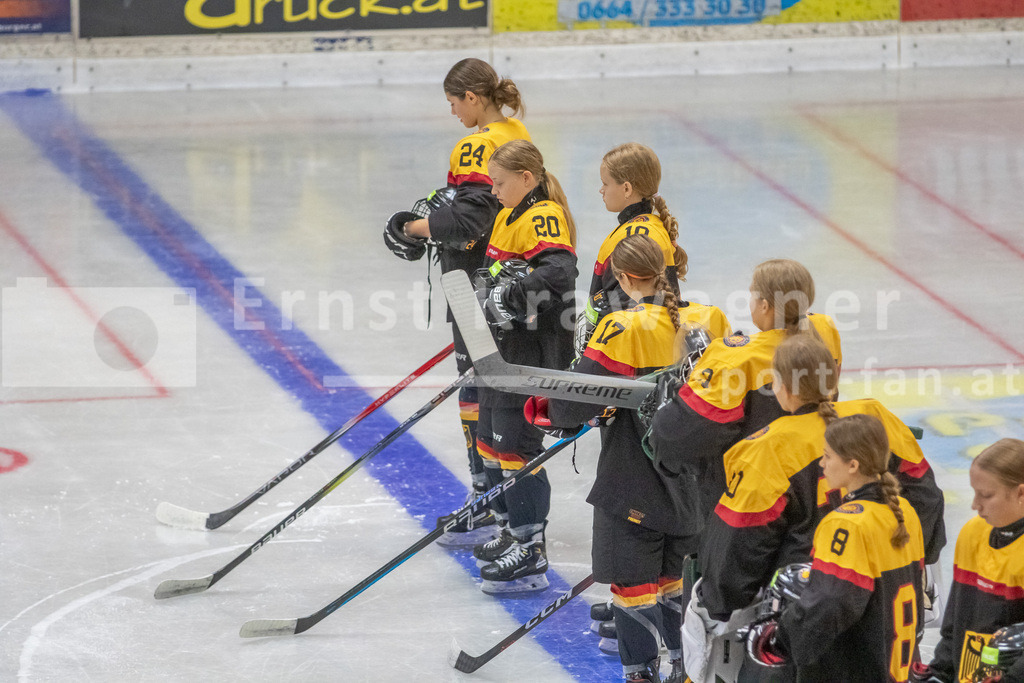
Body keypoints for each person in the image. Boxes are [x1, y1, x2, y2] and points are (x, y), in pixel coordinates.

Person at [538, 235, 726, 683]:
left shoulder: (621, 328)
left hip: (634, 482)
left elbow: (572, 404)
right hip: (694, 487)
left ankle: (642, 674)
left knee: (634, 587)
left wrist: (546, 411)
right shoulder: (710, 318)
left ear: (622, 278)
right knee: (678, 581)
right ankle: (685, 670)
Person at [383, 58, 530, 547]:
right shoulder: (515, 129)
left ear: (472, 97)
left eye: (454, 102)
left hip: (472, 284)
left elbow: (468, 218)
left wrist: (413, 228)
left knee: (478, 391)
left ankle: (487, 500)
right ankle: (497, 501)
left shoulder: (474, 144)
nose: (452, 113)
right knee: (492, 387)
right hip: (505, 280)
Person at [698, 335, 946, 622]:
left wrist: (719, 603)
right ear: (834, 377)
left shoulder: (766, 448)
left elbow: (739, 543)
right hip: (887, 599)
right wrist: (904, 561)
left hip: (809, 606)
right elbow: (926, 497)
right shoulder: (876, 416)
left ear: (783, 387)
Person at [649, 258, 843, 522]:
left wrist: (668, 411)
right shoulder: (825, 331)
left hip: (752, 500)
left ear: (764, 305)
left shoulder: (732, 357)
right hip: (816, 482)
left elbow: (678, 439)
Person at [469, 139, 578, 594]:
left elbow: (559, 272)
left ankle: (531, 549)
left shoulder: (543, 215)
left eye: (499, 182)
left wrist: (512, 293)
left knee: (515, 448)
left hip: (531, 355)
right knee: (490, 441)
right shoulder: (507, 214)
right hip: (503, 349)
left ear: (526, 178)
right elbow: (495, 276)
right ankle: (510, 529)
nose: (493, 191)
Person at [771, 413, 926, 682]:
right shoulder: (905, 511)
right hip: (895, 668)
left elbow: (829, 604)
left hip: (856, 669)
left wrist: (782, 637)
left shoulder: (845, 524)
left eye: (827, 456)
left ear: (853, 464)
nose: (822, 464)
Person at [580, 142, 729, 356]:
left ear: (626, 188)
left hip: (634, 355)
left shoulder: (632, 237)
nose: (601, 190)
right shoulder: (651, 226)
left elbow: (629, 302)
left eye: (605, 183)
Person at [914, 439, 1024, 683]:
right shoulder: (973, 533)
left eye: (986, 495)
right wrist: (940, 673)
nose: (975, 505)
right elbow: (956, 622)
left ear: (1021, 493)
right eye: (974, 492)